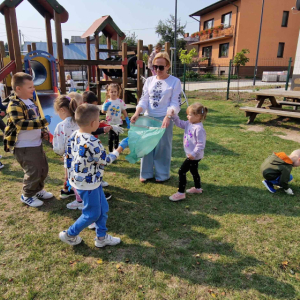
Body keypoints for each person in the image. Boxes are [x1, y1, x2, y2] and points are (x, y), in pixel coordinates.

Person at [59, 103, 128, 247]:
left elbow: (68, 155)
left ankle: (101, 238)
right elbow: (105, 160)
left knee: (103, 208)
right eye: (98, 119)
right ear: (93, 123)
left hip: (86, 181)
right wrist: (120, 148)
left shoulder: (75, 134)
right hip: (87, 184)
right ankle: (70, 234)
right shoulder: (93, 142)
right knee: (92, 214)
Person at [131, 52, 181, 182]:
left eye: (161, 67)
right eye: (155, 67)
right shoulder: (149, 81)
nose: (157, 70)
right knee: (146, 145)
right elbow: (144, 100)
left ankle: (162, 174)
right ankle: (146, 173)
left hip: (164, 118)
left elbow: (175, 102)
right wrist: (137, 112)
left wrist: (168, 116)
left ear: (168, 66)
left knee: (163, 148)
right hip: (148, 118)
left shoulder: (175, 82)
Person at [4, 72, 52, 207]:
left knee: (43, 169)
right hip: (23, 146)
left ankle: (37, 190)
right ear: (18, 88)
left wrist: (42, 132)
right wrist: (42, 123)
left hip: (35, 143)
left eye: (33, 86)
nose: (33, 89)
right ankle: (27, 195)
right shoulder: (14, 104)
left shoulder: (31, 101)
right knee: (33, 170)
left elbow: (35, 120)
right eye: (30, 87)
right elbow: (20, 123)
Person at [169, 103, 207, 201]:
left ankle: (181, 193)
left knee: (181, 171)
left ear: (198, 116)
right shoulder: (189, 123)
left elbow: (200, 144)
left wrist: (193, 154)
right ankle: (198, 188)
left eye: (189, 115)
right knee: (194, 171)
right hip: (192, 155)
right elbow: (180, 123)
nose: (187, 116)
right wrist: (174, 116)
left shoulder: (199, 129)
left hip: (194, 156)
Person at [53, 95, 79, 199]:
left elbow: (59, 147)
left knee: (69, 173)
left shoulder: (61, 125)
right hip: (82, 153)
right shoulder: (80, 121)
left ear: (62, 110)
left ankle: (69, 190)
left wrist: (59, 151)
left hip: (69, 156)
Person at [102, 84, 130, 153]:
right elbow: (103, 111)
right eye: (112, 92)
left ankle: (116, 151)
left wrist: (127, 119)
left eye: (115, 91)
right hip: (110, 123)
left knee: (116, 137)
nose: (113, 93)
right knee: (110, 138)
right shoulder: (107, 102)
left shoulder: (120, 101)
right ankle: (111, 151)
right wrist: (105, 108)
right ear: (108, 92)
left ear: (118, 92)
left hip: (118, 122)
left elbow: (124, 111)